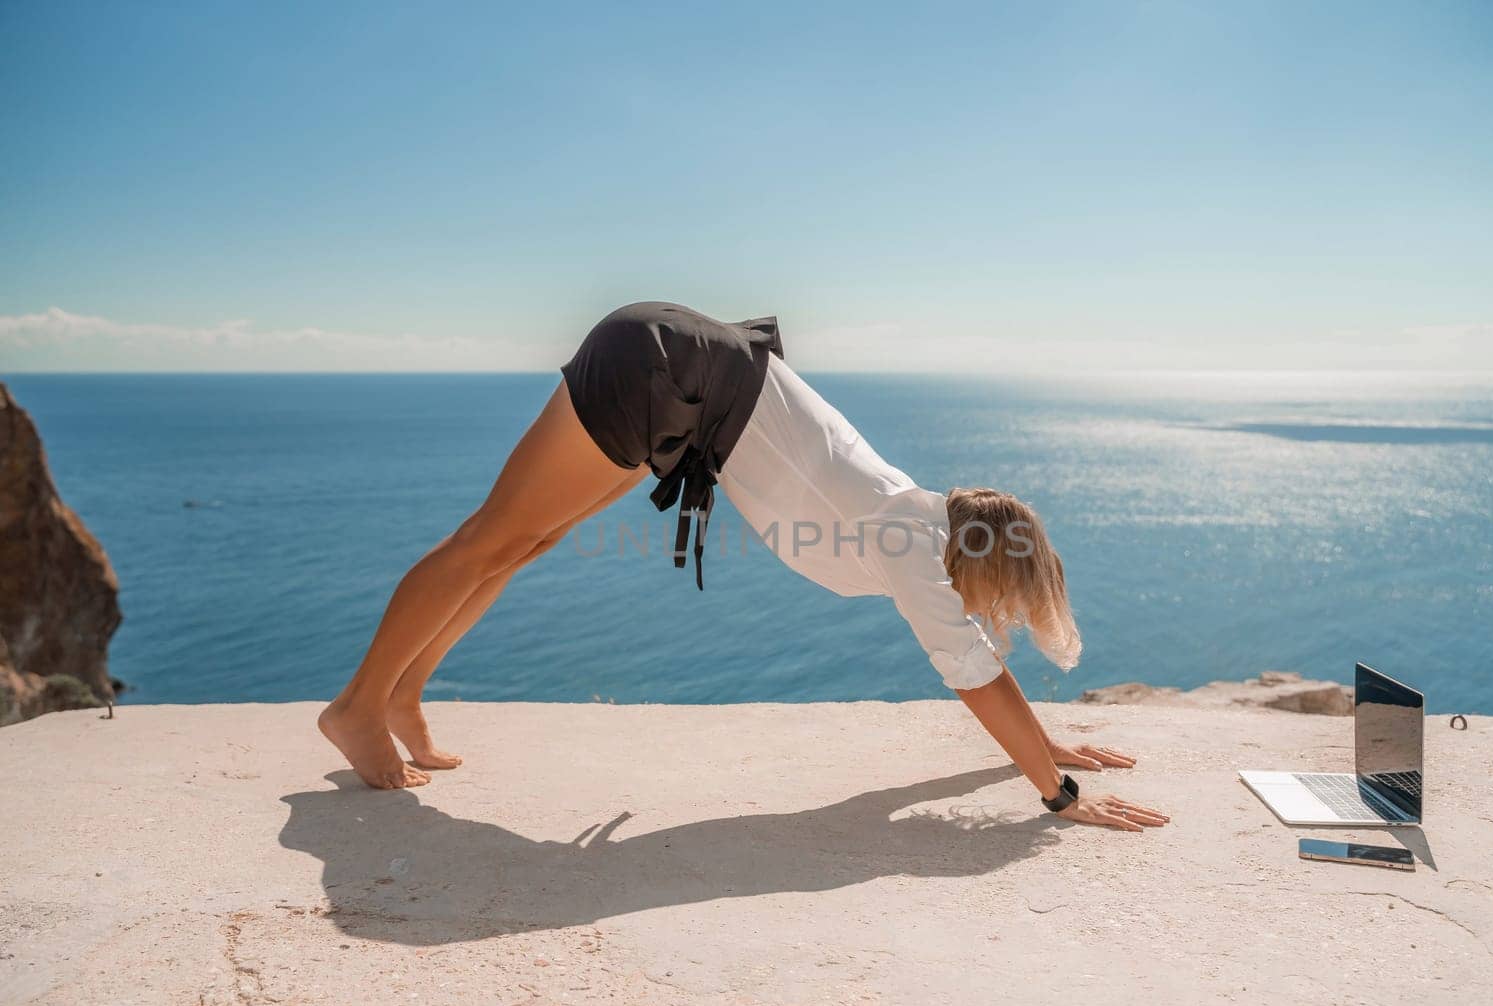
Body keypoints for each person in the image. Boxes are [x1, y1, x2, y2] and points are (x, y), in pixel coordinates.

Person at [319, 301, 1169, 832]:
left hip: (685, 383)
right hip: (666, 372)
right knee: (492, 535)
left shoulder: (916, 512)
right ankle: (360, 703)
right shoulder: (910, 544)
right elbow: (974, 673)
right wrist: (1057, 791)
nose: (998, 612)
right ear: (986, 558)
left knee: (525, 540)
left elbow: (977, 657)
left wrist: (1045, 743)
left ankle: (403, 693)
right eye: (1007, 597)